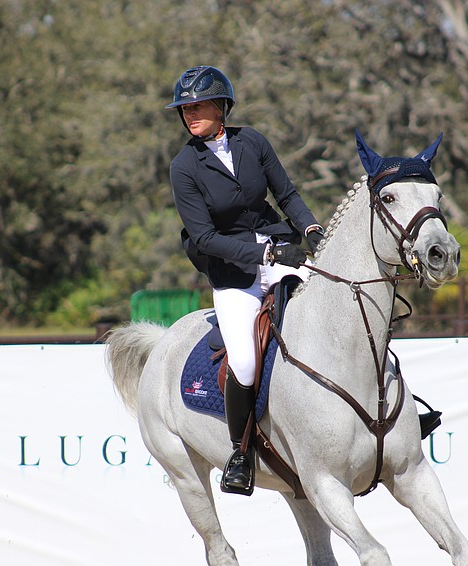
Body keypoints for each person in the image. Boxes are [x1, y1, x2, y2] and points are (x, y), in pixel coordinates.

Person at [167, 66, 324, 495]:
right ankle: (240, 453)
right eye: (185, 109)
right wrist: (265, 254)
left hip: (280, 249)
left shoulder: (252, 141)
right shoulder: (184, 167)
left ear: (222, 106)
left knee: (342, 303)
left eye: (199, 106)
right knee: (246, 362)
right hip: (235, 274)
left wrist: (310, 228)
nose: (190, 114)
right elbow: (204, 238)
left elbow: (286, 195)